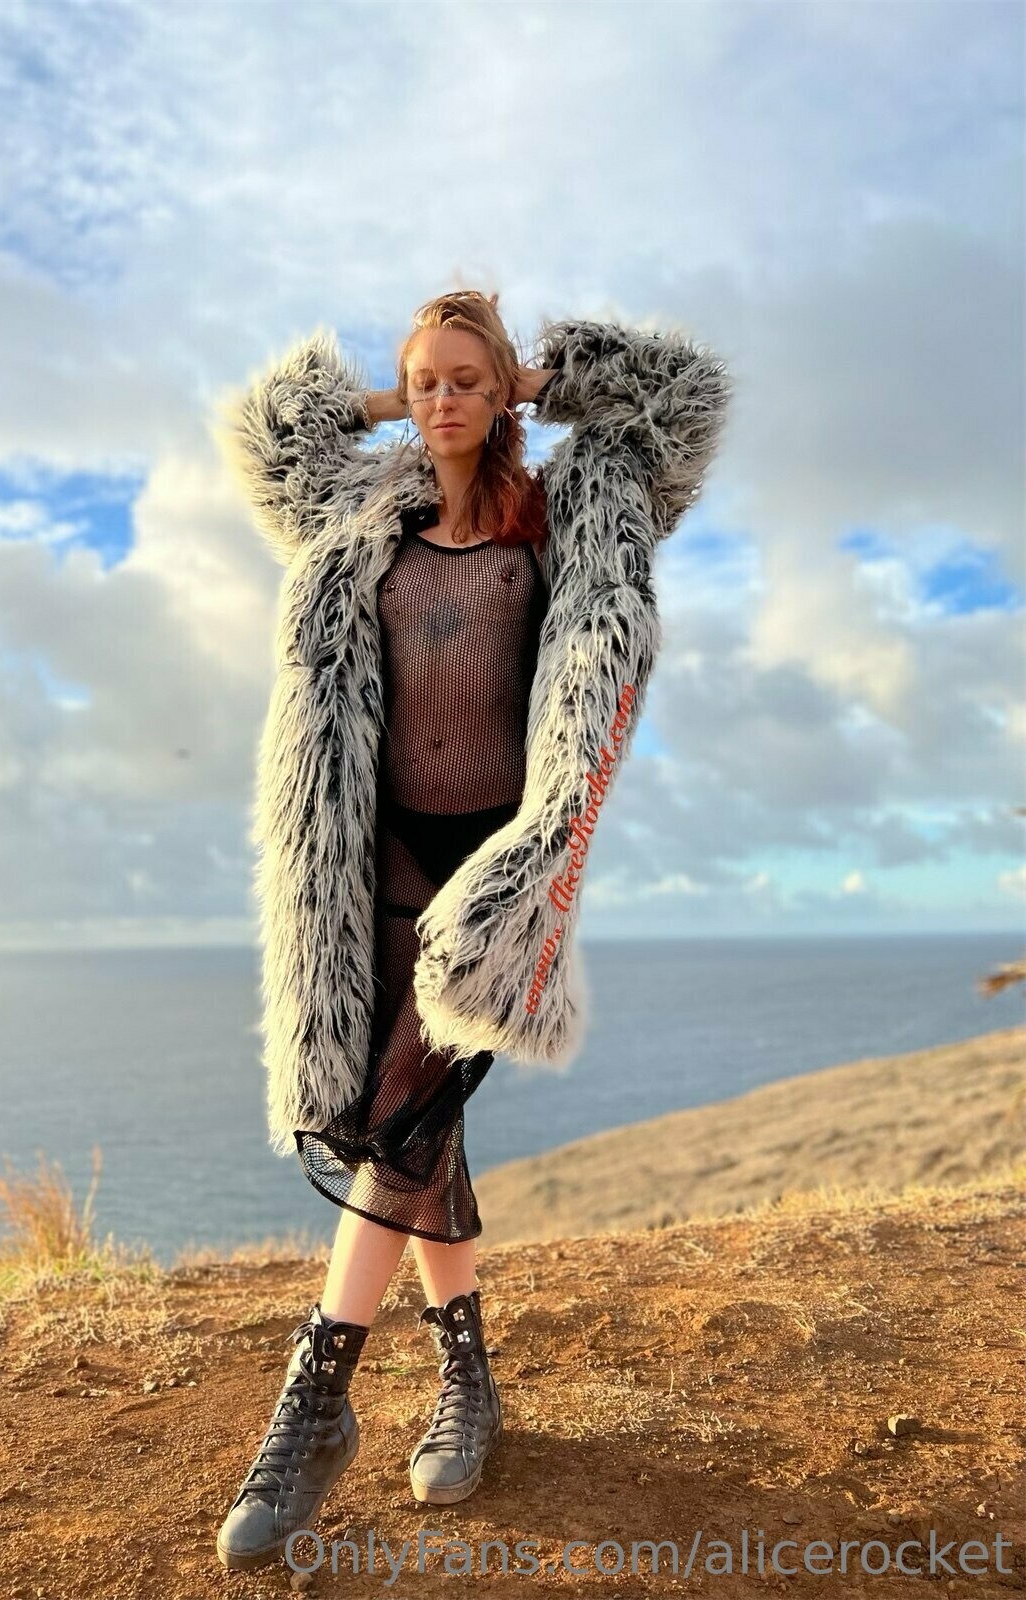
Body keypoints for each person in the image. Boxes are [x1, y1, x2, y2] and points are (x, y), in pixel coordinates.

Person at [216, 288, 732, 1571]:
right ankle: (468, 1378)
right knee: (412, 1128)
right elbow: (274, 431)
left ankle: (316, 1397)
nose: (442, 399)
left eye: (467, 379)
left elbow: (681, 402)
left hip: (496, 881)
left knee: (405, 1115)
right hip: (375, 867)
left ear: (504, 390)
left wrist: (536, 379)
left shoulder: (568, 508)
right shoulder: (359, 516)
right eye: (424, 381)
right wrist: (393, 399)